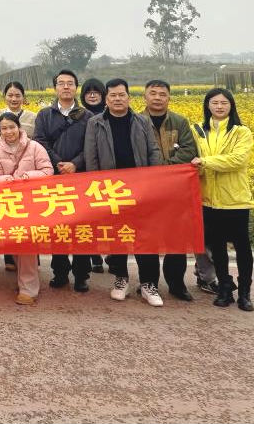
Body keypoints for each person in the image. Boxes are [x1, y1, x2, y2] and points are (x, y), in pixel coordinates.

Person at [85, 78, 165, 307]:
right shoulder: (95, 123)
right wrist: (97, 187)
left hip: (141, 188)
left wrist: (153, 181)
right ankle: (121, 279)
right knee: (118, 236)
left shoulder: (142, 121)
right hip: (112, 190)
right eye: (113, 95)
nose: (117, 99)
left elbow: (153, 151)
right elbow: (91, 156)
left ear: (129, 97)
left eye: (121, 95)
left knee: (145, 237)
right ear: (106, 99)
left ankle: (149, 284)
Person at [137, 79, 207, 301]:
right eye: (153, 93)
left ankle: (176, 284)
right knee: (147, 238)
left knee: (176, 237)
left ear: (169, 97)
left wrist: (164, 169)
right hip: (147, 189)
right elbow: (136, 152)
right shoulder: (136, 121)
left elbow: (188, 150)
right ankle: (148, 282)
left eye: (162, 94)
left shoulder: (180, 121)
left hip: (175, 189)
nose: (157, 98)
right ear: (145, 97)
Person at [191, 88, 254, 312]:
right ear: (207, 105)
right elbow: (193, 161)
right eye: (215, 103)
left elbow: (238, 160)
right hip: (209, 199)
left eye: (224, 103)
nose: (219, 107)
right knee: (217, 247)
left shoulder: (241, 132)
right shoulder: (199, 131)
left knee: (242, 247)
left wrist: (205, 162)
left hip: (235, 199)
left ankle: (245, 292)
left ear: (231, 106)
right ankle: (225, 287)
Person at [33, 70, 93, 292]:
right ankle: (60, 272)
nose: (66, 87)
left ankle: (81, 275)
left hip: (80, 179)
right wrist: (58, 163)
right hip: (54, 179)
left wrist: (75, 164)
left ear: (76, 87)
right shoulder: (44, 115)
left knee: (81, 227)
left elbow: (91, 146)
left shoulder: (88, 117)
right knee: (57, 227)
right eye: (61, 83)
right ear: (55, 88)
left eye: (70, 83)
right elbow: (40, 142)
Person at [0, 112, 53, 305]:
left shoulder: (35, 147)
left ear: (19, 127)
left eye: (12, 127)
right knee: (16, 243)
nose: (9, 131)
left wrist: (28, 176)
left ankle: (28, 289)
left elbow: (48, 171)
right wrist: (5, 179)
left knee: (27, 245)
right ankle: (24, 278)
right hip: (10, 204)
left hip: (32, 203)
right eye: (4, 128)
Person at [80, 79, 107, 273]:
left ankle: (114, 255)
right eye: (88, 92)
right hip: (85, 171)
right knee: (89, 218)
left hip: (108, 172)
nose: (92, 95)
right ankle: (94, 254)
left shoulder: (111, 114)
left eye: (96, 92)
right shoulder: (79, 115)